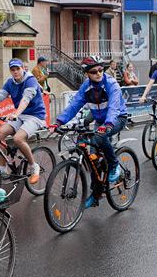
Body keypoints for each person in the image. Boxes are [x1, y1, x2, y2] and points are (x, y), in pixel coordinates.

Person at [52, 56, 129, 206]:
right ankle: (96, 194)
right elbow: (74, 105)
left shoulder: (111, 84)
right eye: (94, 71)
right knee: (92, 157)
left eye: (101, 69)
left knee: (100, 138)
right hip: (100, 121)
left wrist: (107, 124)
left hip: (117, 118)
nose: (99, 73)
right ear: (87, 73)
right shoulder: (86, 88)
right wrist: (59, 122)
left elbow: (114, 107)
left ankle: (114, 165)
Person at [0, 59, 47, 185]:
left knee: (18, 139)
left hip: (35, 115)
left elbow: (25, 99)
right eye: (13, 69)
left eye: (18, 69)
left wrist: (16, 114)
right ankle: (2, 170)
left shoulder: (30, 80)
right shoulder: (10, 82)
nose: (16, 72)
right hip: (21, 115)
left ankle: (34, 166)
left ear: (23, 68)